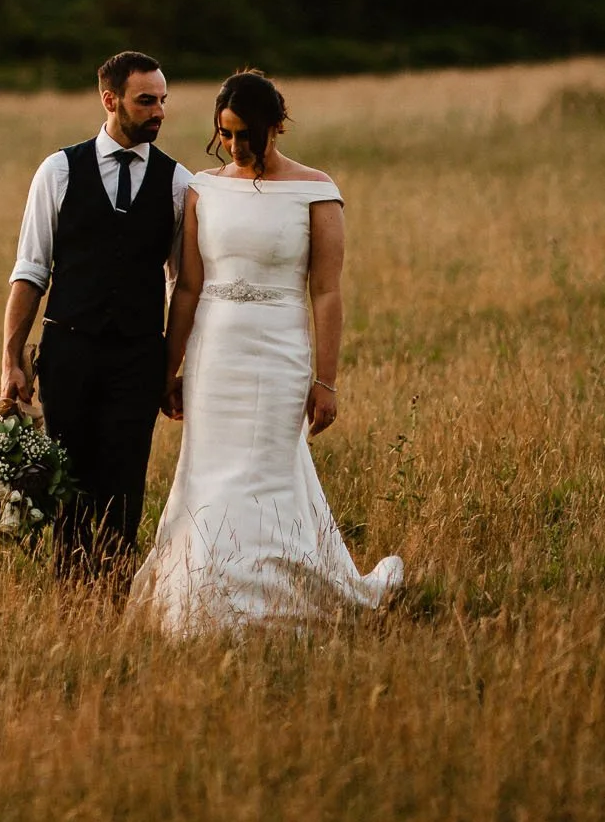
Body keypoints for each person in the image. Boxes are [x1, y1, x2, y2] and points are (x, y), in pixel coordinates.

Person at [126, 68, 403, 632]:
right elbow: (188, 289)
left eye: (245, 134)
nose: (234, 146)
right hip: (215, 351)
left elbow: (325, 292)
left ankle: (280, 598)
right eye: (224, 134)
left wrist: (325, 382)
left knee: (267, 471)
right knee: (209, 477)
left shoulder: (316, 190)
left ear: (275, 126)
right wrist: (168, 369)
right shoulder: (204, 188)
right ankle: (205, 602)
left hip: (280, 350)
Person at [0, 50, 190, 575]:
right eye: (145, 100)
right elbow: (30, 270)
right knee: (68, 480)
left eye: (162, 101)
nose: (158, 112)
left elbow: (183, 287)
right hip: (68, 351)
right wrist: (11, 360)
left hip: (138, 356)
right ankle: (70, 593)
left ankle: (112, 590)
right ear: (110, 100)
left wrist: (170, 368)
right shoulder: (59, 170)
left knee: (125, 480)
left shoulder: (178, 184)